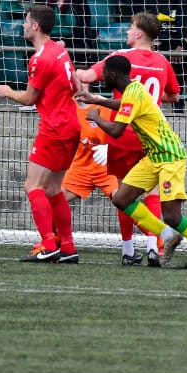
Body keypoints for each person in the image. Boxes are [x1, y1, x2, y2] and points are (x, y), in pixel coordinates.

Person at [75, 55, 187, 273]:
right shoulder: (133, 90)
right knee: (121, 199)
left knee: (172, 216)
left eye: (104, 73)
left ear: (113, 75)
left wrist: (95, 117)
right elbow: (123, 105)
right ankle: (167, 235)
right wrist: (97, 100)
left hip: (170, 156)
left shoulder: (133, 92)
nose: (102, 77)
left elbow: (116, 131)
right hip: (154, 157)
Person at [75, 13, 181, 266]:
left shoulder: (120, 57)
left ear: (139, 33)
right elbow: (174, 96)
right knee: (152, 192)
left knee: (124, 192)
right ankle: (154, 247)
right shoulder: (162, 61)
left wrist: (70, 68)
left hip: (122, 133)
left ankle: (127, 250)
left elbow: (86, 77)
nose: (126, 31)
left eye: (130, 28)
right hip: (151, 136)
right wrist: (149, 101)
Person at [0, 4, 81, 264]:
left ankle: (48, 245)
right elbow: (76, 84)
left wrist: (8, 92)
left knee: (32, 186)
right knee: (53, 188)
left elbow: (29, 99)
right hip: (71, 125)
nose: (23, 25)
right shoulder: (59, 50)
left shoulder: (40, 58)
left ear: (35, 25)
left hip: (54, 128)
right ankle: (67, 247)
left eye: (26, 21)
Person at [61, 101, 158, 265]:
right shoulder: (68, 108)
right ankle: (56, 243)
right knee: (54, 200)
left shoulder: (109, 107)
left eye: (84, 85)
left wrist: (109, 148)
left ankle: (158, 241)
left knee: (124, 202)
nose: (80, 88)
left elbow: (123, 131)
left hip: (107, 168)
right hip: (81, 168)